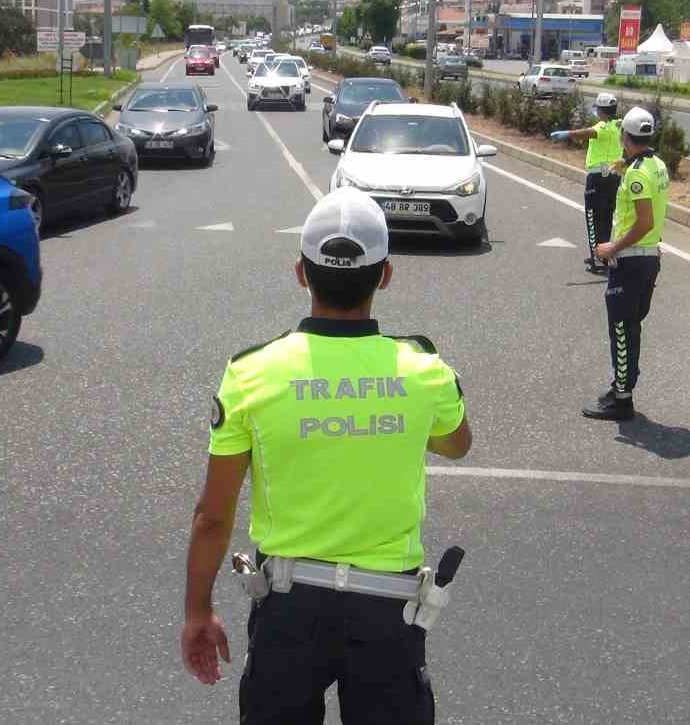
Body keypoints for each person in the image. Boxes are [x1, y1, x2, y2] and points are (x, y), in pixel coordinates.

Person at [180, 187, 473, 724]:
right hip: (391, 611)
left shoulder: (251, 373)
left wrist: (198, 611)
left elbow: (213, 515)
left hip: (289, 610)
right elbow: (457, 444)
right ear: (385, 275)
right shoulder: (424, 371)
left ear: (301, 273)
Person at [583, 107, 669, 421]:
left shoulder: (637, 174)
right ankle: (621, 385)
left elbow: (644, 221)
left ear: (625, 137)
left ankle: (622, 399)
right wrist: (624, 164)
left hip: (631, 262)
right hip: (648, 261)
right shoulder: (656, 164)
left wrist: (611, 247)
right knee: (630, 328)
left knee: (621, 330)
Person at [550, 92, 625, 274]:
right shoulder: (619, 125)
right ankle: (604, 254)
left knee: (592, 218)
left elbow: (588, 133)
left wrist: (567, 134)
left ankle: (597, 259)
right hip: (614, 176)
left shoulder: (603, 126)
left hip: (597, 178)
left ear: (601, 111)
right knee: (606, 217)